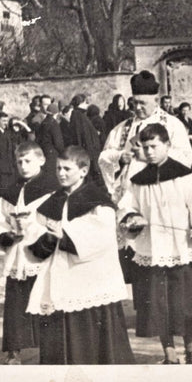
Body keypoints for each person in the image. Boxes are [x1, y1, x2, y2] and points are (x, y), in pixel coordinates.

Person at [27, 146, 135, 365]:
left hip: (90, 280)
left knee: (90, 340)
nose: (61, 173)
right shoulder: (51, 200)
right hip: (59, 276)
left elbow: (102, 237)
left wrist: (64, 234)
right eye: (58, 168)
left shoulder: (97, 201)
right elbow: (35, 237)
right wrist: (48, 237)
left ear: (84, 171)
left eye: (67, 168)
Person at [118, 124, 192, 364]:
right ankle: (168, 351)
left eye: (154, 146)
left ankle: (191, 345)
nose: (149, 152)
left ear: (167, 146)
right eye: (145, 147)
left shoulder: (184, 175)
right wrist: (132, 219)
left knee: (184, 301)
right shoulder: (138, 181)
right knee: (158, 302)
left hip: (182, 248)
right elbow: (128, 206)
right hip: (152, 249)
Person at [99, 71, 192, 284]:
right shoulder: (123, 128)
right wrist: (120, 156)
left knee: (163, 251)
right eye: (135, 103)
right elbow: (104, 156)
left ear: (155, 100)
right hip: (132, 199)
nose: (138, 108)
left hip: (161, 197)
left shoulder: (172, 124)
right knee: (137, 254)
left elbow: (185, 158)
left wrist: (153, 157)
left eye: (143, 103)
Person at [0, 142, 59, 364]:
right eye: (19, 161)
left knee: (45, 300)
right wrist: (7, 236)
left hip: (41, 252)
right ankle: (14, 351)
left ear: (41, 161)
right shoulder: (10, 192)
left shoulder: (53, 189)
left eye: (28, 160)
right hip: (17, 254)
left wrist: (43, 238)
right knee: (16, 304)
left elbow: (58, 220)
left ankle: (51, 350)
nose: (23, 165)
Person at [69, 94, 103, 184]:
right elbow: (80, 135)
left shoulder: (80, 115)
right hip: (87, 151)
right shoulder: (78, 115)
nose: (87, 105)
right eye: (85, 102)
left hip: (88, 150)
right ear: (80, 103)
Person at [0, 111, 18, 196]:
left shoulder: (7, 133)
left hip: (10, 169)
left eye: (6, 121)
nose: (5, 123)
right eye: (3, 121)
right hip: (1, 169)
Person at [37, 102, 65, 173]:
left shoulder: (43, 122)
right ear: (56, 113)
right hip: (52, 154)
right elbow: (58, 142)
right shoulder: (54, 124)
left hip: (43, 152)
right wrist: (63, 152)